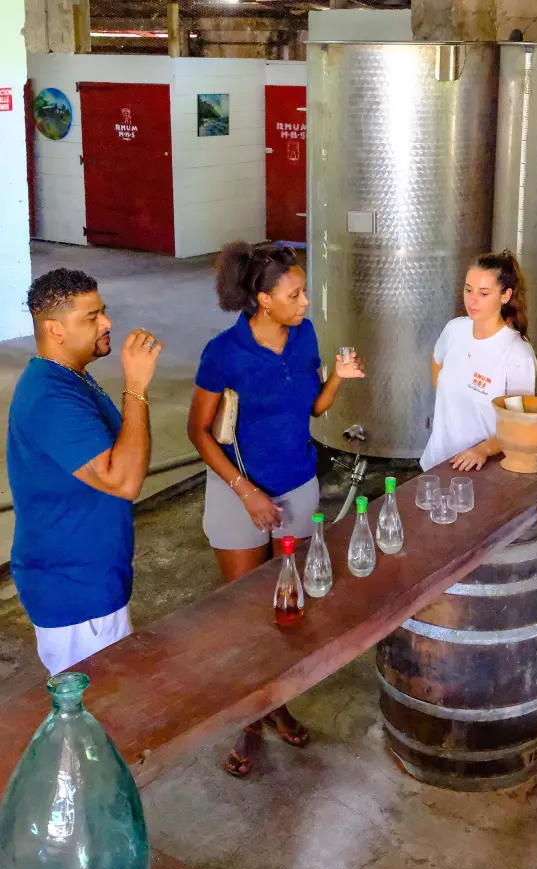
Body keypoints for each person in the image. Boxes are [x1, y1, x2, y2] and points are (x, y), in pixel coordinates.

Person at [188, 241, 365, 777]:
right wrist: (246, 492)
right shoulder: (225, 352)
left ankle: (277, 702)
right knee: (245, 612)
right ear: (263, 300)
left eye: (304, 291)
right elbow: (198, 431)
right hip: (239, 491)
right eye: (295, 293)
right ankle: (248, 719)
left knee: (287, 608)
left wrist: (338, 378)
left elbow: (312, 407)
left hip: (297, 486)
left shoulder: (304, 335)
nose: (306, 301)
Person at [7, 268, 163, 676]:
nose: (107, 322)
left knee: (108, 708)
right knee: (93, 718)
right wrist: (136, 386)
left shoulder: (72, 377)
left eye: (103, 312)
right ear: (56, 330)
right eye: (91, 317)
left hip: (93, 576)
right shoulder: (51, 397)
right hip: (73, 590)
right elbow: (124, 480)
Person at [420, 250, 537, 473]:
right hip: (436, 462)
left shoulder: (516, 353)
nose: (472, 300)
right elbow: (436, 359)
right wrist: (449, 397)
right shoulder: (455, 330)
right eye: (468, 290)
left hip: (479, 471)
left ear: (505, 295)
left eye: (484, 293)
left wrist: (483, 450)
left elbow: (518, 424)